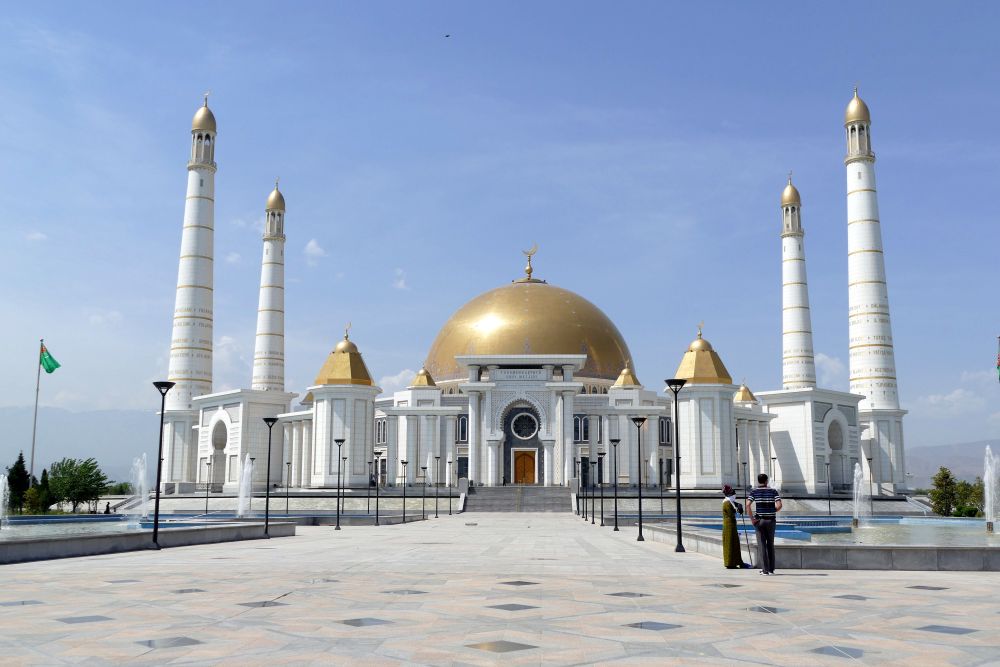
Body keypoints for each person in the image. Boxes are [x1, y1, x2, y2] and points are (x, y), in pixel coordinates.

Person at [747, 473, 782, 575]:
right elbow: (779, 505)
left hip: (759, 521)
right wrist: (772, 510)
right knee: (770, 544)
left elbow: (748, 505)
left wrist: (752, 519)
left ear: (758, 481)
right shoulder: (773, 491)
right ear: (766, 481)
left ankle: (765, 570)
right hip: (771, 520)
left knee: (762, 545)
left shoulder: (754, 492)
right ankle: (771, 569)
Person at [721, 484, 749, 569]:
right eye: (732, 493)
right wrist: (738, 509)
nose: (734, 495)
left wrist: (737, 506)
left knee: (734, 544)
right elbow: (731, 513)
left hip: (731, 526)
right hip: (729, 526)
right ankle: (730, 563)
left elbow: (734, 506)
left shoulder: (729, 502)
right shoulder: (727, 503)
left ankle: (735, 562)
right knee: (730, 544)